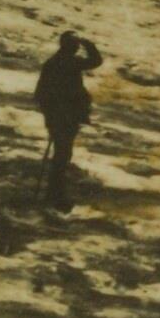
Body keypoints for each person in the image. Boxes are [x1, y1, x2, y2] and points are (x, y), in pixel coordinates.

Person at [33, 32, 104, 208]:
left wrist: (49, 115)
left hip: (58, 116)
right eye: (75, 45)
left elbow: (40, 93)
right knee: (62, 155)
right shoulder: (70, 63)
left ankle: (53, 194)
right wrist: (89, 44)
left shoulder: (52, 63)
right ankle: (55, 195)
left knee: (61, 154)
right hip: (66, 117)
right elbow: (96, 61)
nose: (76, 48)